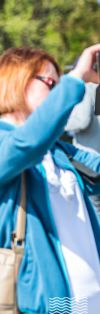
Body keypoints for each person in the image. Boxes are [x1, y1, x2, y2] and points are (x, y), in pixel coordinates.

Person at [0, 45, 100, 314]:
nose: (57, 92)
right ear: (15, 81)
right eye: (51, 83)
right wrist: (77, 77)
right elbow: (26, 143)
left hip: (90, 305)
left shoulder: (55, 149)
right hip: (51, 313)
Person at [65, 80, 99, 215]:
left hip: (88, 164)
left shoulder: (87, 89)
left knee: (94, 212)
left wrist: (59, 123)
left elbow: (81, 122)